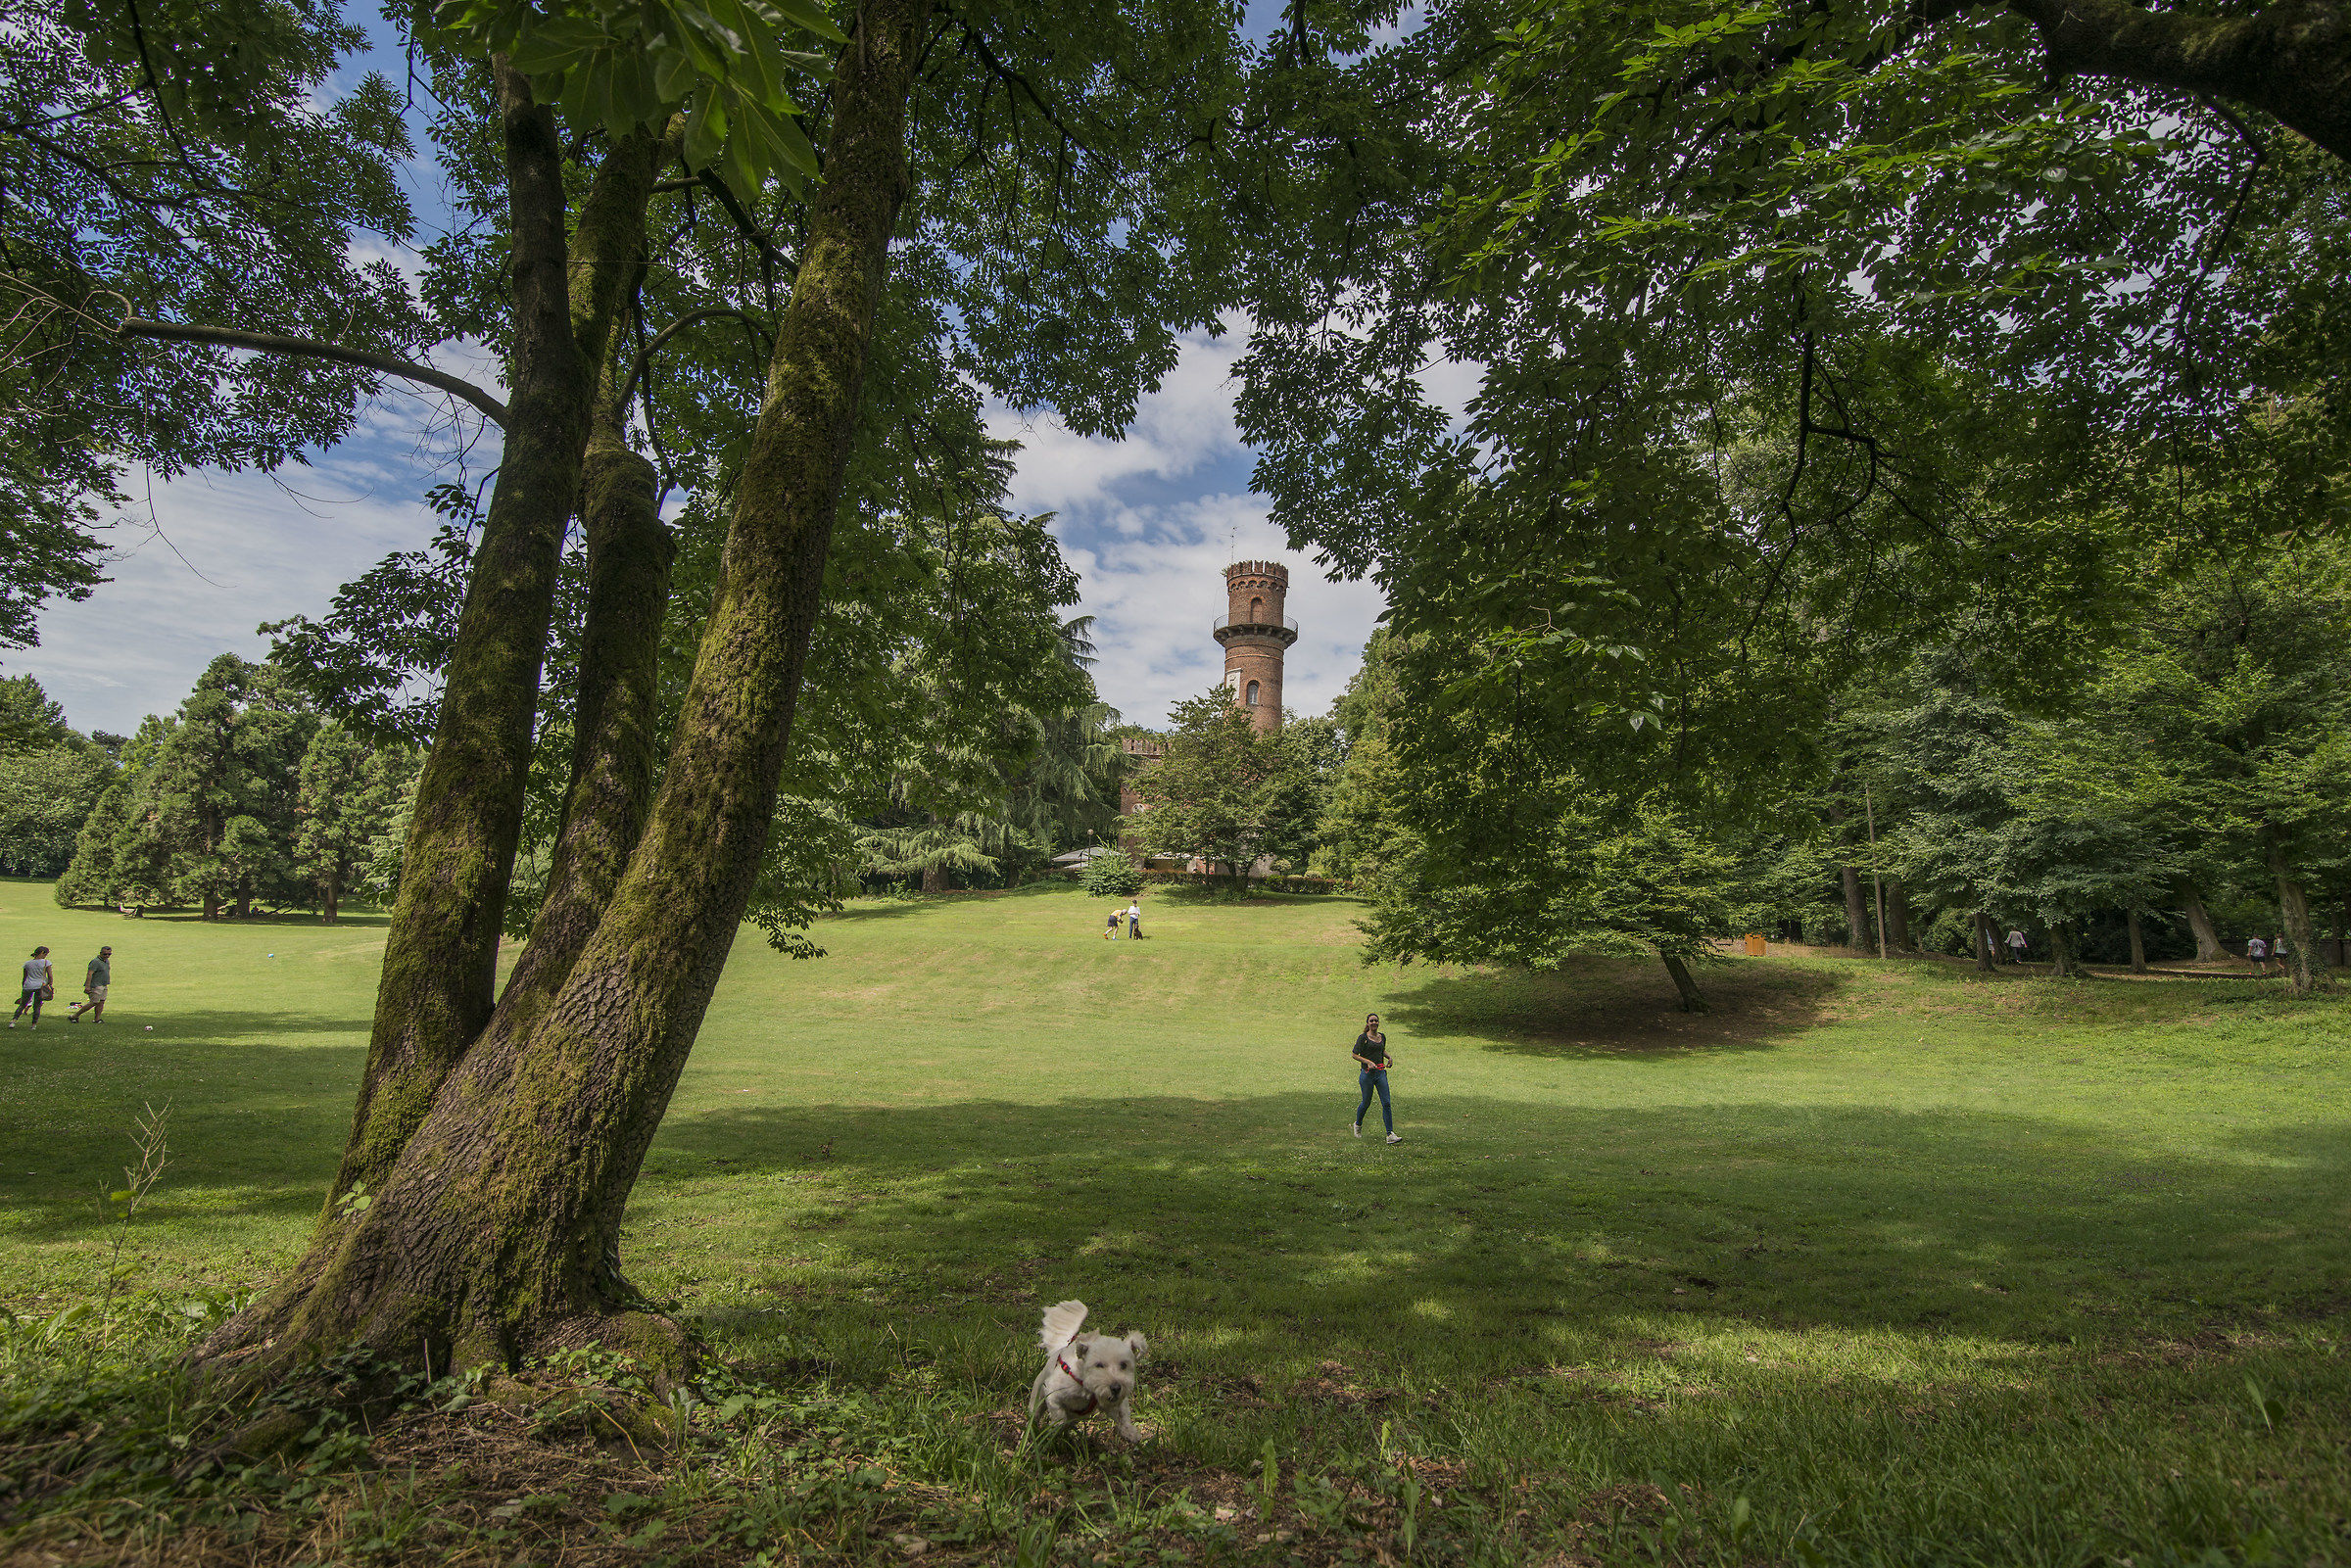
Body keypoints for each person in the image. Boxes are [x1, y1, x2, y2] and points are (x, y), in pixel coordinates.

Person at [1352, 1012, 1400, 1144]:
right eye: (1371, 1021)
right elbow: (1354, 1054)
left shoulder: (1382, 1037)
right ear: (1368, 1023)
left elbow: (1380, 1050)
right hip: (1367, 1075)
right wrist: (1368, 1062)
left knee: (1386, 1103)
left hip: (1380, 1074)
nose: (1374, 1023)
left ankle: (1390, 1134)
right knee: (1366, 1103)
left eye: (1376, 1021)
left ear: (1378, 1023)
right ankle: (1358, 1125)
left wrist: (1389, 1057)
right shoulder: (1363, 1038)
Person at [11, 946, 53, 1028]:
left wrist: (24, 986)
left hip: (28, 985)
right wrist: (50, 985)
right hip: (40, 986)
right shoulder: (46, 962)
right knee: (37, 1006)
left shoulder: (27, 963)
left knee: (23, 1004)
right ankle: (33, 1025)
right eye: (46, 954)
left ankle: (13, 1021)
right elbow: (50, 976)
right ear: (42, 953)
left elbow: (24, 977)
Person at [67, 946, 112, 1022]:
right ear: (100, 953)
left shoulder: (106, 961)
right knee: (94, 1002)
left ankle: (97, 1019)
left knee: (101, 1002)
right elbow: (89, 974)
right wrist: (87, 986)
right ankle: (75, 1016)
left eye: (109, 954)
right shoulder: (95, 962)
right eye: (105, 954)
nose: (107, 956)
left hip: (104, 984)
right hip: (96, 985)